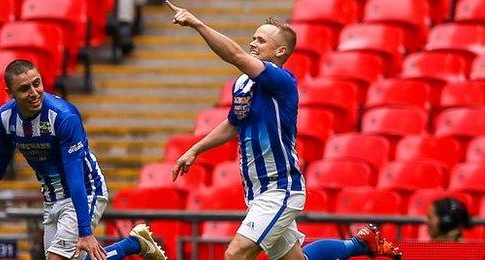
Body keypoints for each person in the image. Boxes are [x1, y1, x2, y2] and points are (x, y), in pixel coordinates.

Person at [165, 1, 402, 259]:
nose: (253, 43)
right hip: (256, 190)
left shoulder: (281, 81)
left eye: (262, 40)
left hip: (280, 188)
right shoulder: (243, 83)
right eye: (253, 38)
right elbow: (235, 123)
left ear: (280, 51)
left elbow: (235, 55)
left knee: (235, 254)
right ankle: (360, 244)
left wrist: (197, 24)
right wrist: (195, 149)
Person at [0, 60, 166, 260]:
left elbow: (74, 175)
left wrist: (85, 232)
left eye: (36, 83)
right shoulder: (4, 119)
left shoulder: (63, 116)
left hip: (85, 190)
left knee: (58, 258)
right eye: (24, 89)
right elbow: (1, 157)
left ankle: (132, 244)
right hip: (51, 197)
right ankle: (134, 244)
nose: (33, 93)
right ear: (10, 93)